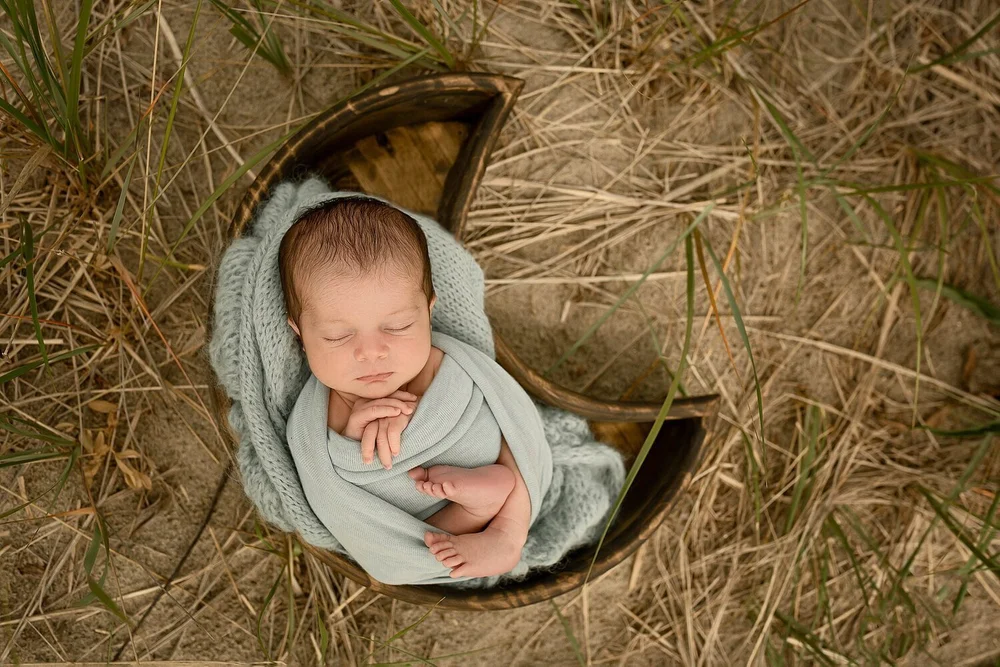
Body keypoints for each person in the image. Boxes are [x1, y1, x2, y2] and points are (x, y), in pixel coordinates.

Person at [279, 196, 531, 578]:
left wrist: (415, 412)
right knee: (412, 541)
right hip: (420, 510)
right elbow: (333, 479)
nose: (371, 352)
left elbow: (499, 402)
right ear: (299, 333)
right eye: (338, 335)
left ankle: (510, 526)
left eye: (397, 327)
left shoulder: (439, 360)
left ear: (429, 312)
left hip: (475, 450)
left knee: (511, 437)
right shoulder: (320, 409)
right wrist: (353, 436)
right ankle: (481, 509)